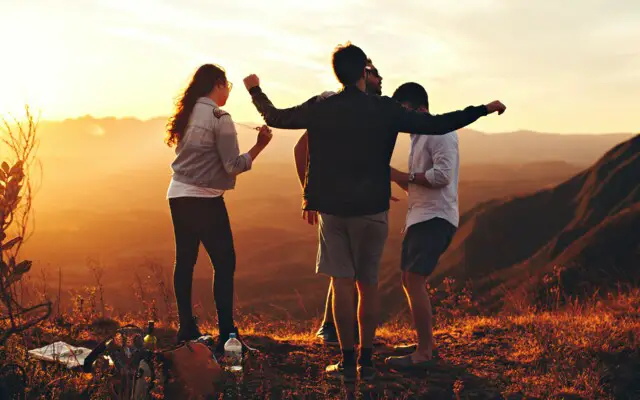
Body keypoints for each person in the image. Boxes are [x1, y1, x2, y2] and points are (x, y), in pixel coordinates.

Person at [243, 43, 505, 382]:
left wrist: (255, 90)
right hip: (373, 209)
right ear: (363, 73)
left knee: (342, 284)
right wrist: (482, 109)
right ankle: (367, 361)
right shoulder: (384, 109)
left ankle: (348, 363)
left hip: (334, 210)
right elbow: (439, 124)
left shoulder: (322, 107)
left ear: (338, 72)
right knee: (368, 285)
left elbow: (276, 117)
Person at [165, 64, 272, 352]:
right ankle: (227, 335)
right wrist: (260, 145)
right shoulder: (220, 117)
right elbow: (232, 165)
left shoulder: (187, 113)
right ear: (218, 84)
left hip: (177, 194)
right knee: (225, 263)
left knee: (185, 261)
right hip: (206, 199)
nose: (228, 93)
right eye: (227, 86)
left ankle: (186, 329)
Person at [293, 59, 383, 346]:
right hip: (337, 203)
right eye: (375, 74)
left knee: (349, 269)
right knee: (343, 270)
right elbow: (301, 148)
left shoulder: (367, 111)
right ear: (362, 75)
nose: (381, 80)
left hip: (358, 200)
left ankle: (341, 331)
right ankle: (331, 328)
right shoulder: (335, 107)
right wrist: (310, 195)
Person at [384, 82, 459, 369]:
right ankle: (423, 342)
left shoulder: (440, 132)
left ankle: (424, 353)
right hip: (421, 216)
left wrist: (403, 175)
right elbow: (417, 183)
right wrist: (393, 177)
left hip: (435, 217)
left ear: (416, 108)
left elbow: (441, 176)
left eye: (401, 111)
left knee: (414, 280)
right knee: (408, 280)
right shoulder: (418, 137)